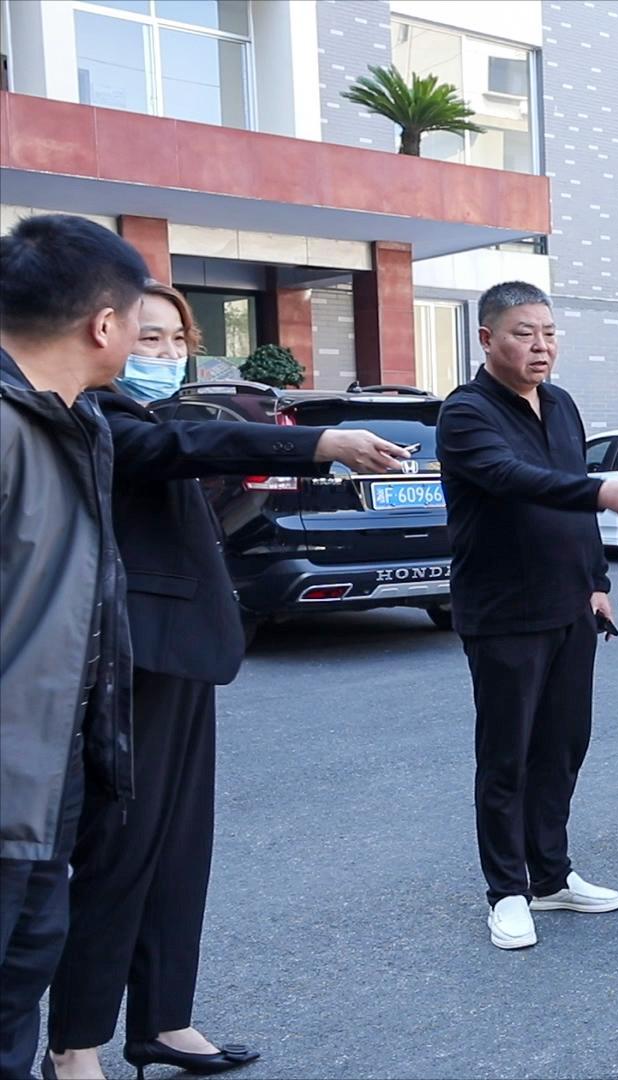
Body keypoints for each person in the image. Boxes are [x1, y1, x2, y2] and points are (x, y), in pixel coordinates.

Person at [46, 284, 407, 1080]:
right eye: (149, 338)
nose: (166, 354)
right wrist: (318, 443)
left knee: (180, 850)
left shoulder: (152, 416)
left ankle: (164, 1021)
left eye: (178, 341)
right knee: (121, 852)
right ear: (102, 333)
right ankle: (74, 1045)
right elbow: (185, 449)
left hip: (184, 654)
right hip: (134, 660)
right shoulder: (92, 414)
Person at [438, 281, 618, 950]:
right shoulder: (466, 412)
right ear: (487, 339)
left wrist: (596, 581)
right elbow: (512, 478)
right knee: (507, 756)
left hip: (570, 606)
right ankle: (507, 891)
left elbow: (571, 510)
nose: (541, 346)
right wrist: (601, 490)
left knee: (563, 748)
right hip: (504, 611)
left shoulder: (560, 405)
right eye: (523, 333)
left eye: (549, 333)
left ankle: (552, 876)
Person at [0, 214, 143, 1080]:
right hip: (12, 771)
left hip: (49, 773)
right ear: (103, 323)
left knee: (22, 981)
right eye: (139, 322)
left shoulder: (75, 419)